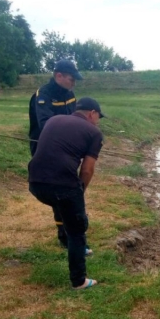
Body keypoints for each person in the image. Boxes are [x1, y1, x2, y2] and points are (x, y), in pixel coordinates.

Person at [28, 97, 105, 289]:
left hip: (35, 183)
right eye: (98, 117)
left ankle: (77, 245)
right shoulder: (94, 132)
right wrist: (80, 191)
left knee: (67, 210)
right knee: (77, 229)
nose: (98, 121)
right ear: (91, 113)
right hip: (61, 185)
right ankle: (79, 280)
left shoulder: (54, 120)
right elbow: (87, 170)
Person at [28, 59, 87, 252]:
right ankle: (65, 237)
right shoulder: (42, 96)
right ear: (58, 76)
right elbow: (46, 126)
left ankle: (73, 235)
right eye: (71, 79)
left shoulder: (69, 94)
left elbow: (76, 118)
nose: (73, 84)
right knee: (60, 192)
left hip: (67, 149)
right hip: (45, 149)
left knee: (69, 190)